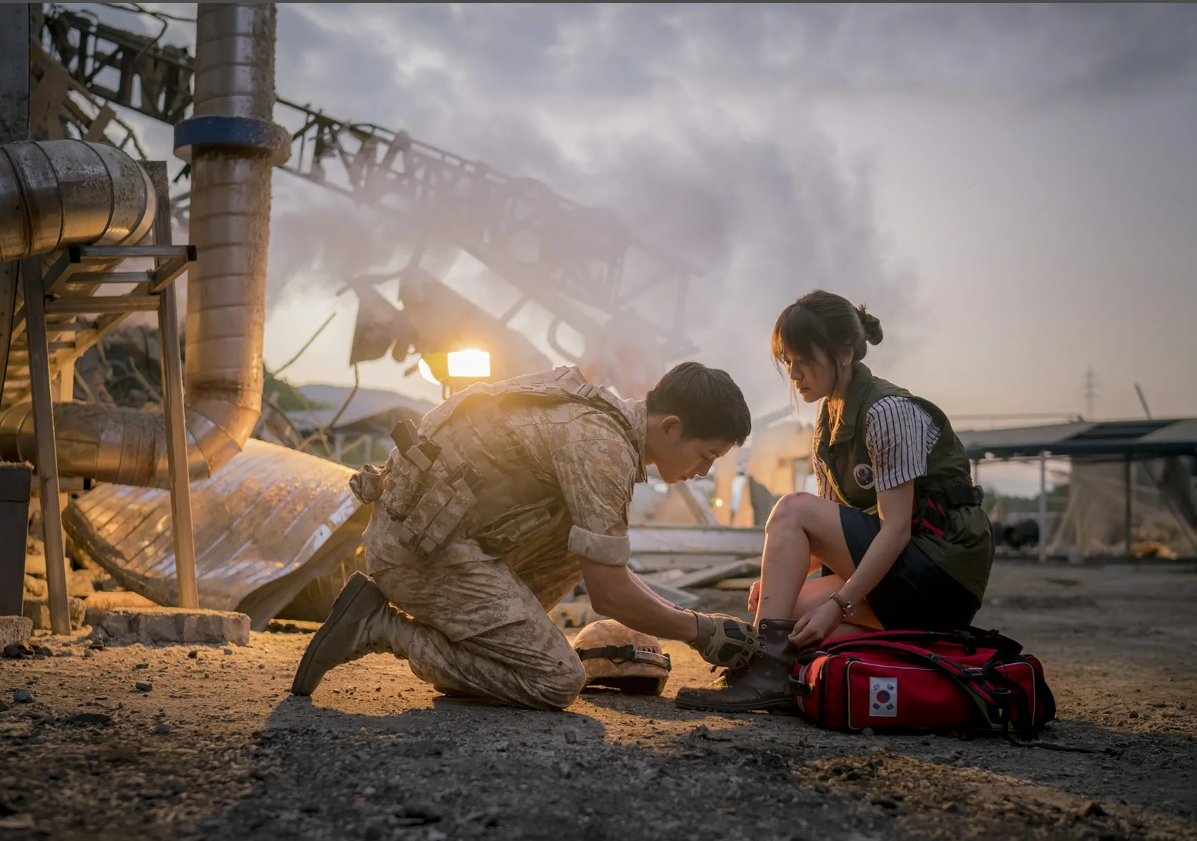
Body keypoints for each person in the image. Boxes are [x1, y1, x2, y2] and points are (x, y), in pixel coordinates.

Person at [291, 362, 758, 710]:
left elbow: (605, 569)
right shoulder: (602, 447)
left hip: (440, 538)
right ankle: (379, 626)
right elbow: (610, 593)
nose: (704, 472)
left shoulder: (602, 420)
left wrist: (691, 620)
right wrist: (700, 631)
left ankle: (480, 635)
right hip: (417, 552)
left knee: (589, 543)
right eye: (706, 455)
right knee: (554, 680)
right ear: (671, 426)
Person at [676, 290, 994, 713]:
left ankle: (762, 671)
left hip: (940, 575)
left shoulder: (888, 411)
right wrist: (776, 582)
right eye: (787, 361)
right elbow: (827, 535)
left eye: (803, 359)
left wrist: (838, 604)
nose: (793, 373)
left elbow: (896, 529)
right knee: (790, 624)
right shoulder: (829, 421)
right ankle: (773, 673)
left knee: (791, 508)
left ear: (844, 353)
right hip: (902, 579)